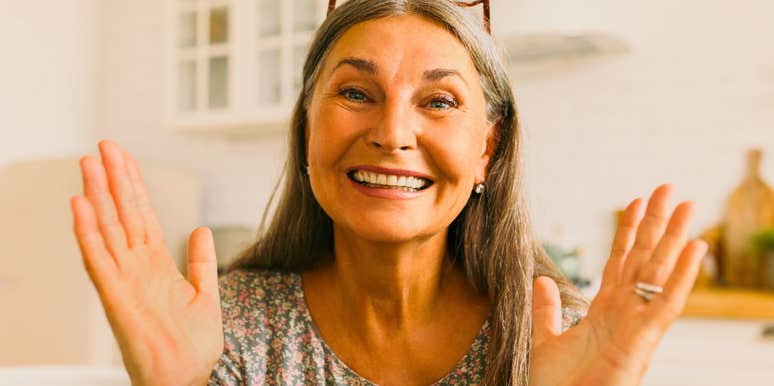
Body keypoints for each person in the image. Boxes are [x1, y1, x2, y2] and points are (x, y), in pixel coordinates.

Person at [69, 0, 708, 385]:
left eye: (438, 100)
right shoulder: (230, 328)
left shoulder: (556, 338)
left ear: (488, 148)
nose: (393, 132)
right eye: (354, 93)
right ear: (306, 131)